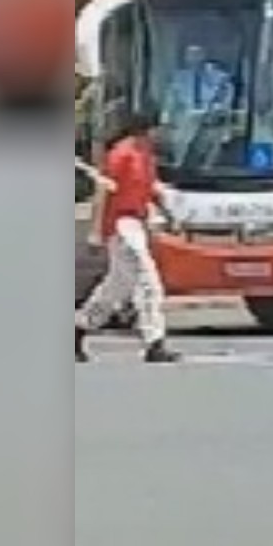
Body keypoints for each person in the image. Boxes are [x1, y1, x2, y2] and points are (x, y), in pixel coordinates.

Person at [74, 112, 183, 363]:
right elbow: (104, 193)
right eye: (160, 129)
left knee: (115, 289)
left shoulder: (146, 155)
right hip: (122, 224)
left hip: (137, 223)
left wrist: (170, 215)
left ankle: (78, 327)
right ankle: (154, 341)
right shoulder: (122, 155)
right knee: (148, 282)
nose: (164, 135)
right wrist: (97, 230)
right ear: (147, 129)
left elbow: (151, 188)